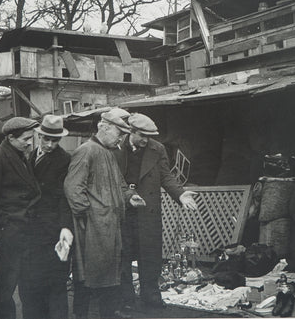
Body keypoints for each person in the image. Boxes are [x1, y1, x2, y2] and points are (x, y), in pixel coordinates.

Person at [64, 108, 146, 319]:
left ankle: (108, 314)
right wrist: (89, 216)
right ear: (104, 127)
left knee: (108, 274)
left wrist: (130, 196)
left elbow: (119, 184)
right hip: (94, 228)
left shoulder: (109, 153)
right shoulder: (86, 150)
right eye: (119, 134)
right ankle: (82, 315)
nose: (121, 139)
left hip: (109, 226)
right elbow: (73, 189)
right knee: (88, 276)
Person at [117, 112, 198, 310]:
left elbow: (166, 176)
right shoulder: (116, 148)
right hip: (122, 209)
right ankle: (125, 299)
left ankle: (151, 296)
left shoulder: (157, 149)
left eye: (149, 136)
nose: (146, 140)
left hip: (147, 209)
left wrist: (180, 194)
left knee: (150, 255)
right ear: (131, 132)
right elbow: (114, 180)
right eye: (142, 135)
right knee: (122, 256)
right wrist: (127, 195)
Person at [18, 114, 73, 319]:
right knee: (31, 286)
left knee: (55, 287)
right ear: (39, 136)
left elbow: (65, 198)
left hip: (52, 233)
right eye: (46, 139)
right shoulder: (29, 156)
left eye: (55, 140)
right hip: (30, 233)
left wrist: (65, 228)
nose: (50, 144)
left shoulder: (65, 160)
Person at [0, 117, 39, 319]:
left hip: (25, 230)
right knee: (6, 284)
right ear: (10, 137)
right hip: (10, 232)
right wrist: (4, 228)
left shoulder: (20, 155)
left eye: (30, 138)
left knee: (27, 280)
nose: (29, 143)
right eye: (26, 138)